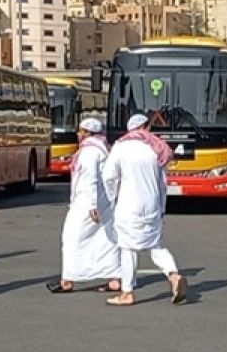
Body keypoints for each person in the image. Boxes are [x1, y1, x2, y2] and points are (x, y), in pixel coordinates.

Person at [101, 113, 187, 307]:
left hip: (129, 204)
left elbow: (108, 177)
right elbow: (162, 182)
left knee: (127, 247)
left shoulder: (121, 147)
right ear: (146, 127)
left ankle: (127, 292)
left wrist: (112, 197)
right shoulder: (156, 147)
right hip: (152, 204)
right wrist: (162, 206)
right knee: (155, 245)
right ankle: (173, 275)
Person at [46, 117, 121, 294]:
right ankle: (115, 278)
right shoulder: (103, 149)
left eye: (81, 131)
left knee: (71, 238)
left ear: (87, 133)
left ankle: (68, 280)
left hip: (87, 202)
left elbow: (90, 178)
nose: (78, 134)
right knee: (105, 238)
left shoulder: (89, 152)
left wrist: (92, 204)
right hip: (105, 202)